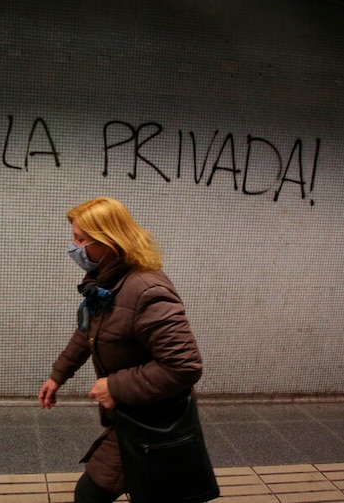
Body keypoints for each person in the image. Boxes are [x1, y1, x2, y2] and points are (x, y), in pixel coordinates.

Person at [39, 197, 204, 503]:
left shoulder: (146, 290)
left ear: (109, 241)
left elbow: (184, 365)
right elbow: (87, 331)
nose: (73, 248)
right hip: (132, 414)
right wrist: (58, 375)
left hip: (153, 421)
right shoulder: (108, 283)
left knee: (90, 494)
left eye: (80, 239)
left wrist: (113, 385)